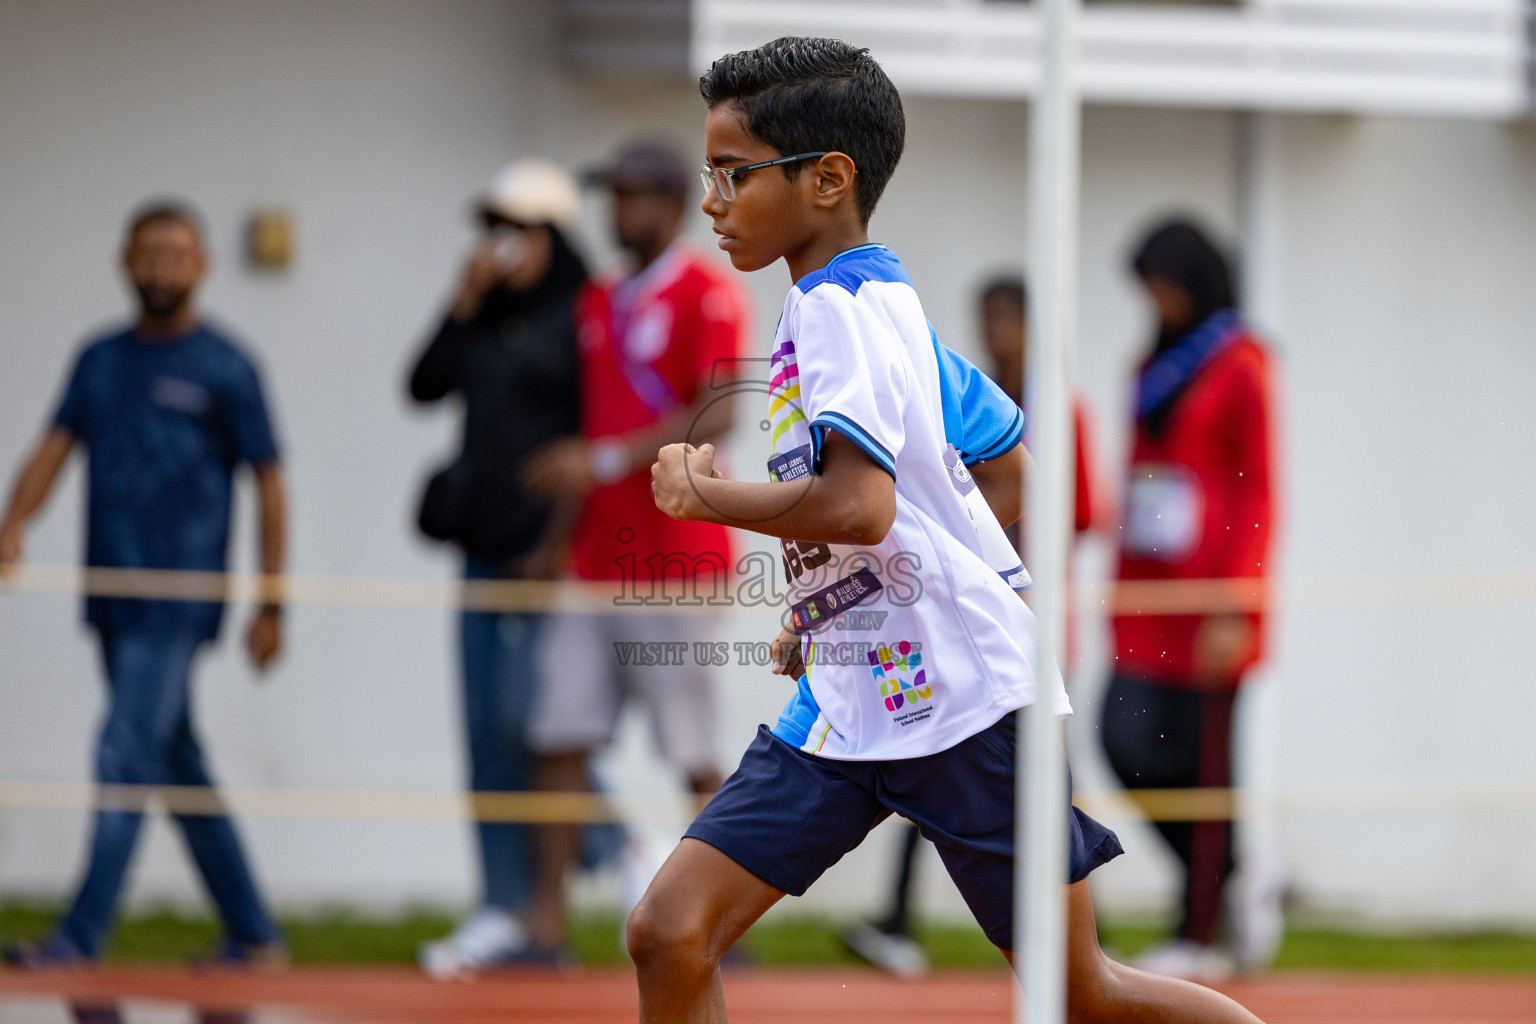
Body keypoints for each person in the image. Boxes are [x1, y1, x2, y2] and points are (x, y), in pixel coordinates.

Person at [633, 36, 1265, 1024]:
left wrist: (705, 497)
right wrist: (842, 601)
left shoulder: (845, 309)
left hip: (967, 703)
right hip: (853, 697)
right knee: (669, 929)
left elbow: (860, 503)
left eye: (733, 174)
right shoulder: (888, 310)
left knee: (1084, 994)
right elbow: (1004, 468)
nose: (711, 200)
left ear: (829, 178)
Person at [0, 202, 285, 967]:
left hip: (183, 596)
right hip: (110, 593)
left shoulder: (228, 365)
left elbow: (271, 482)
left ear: (202, 266)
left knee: (126, 751)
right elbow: (54, 446)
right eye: (149, 253)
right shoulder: (100, 360)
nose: (162, 268)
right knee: (175, 759)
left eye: (177, 254)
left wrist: (272, 602)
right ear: (126, 261)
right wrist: (13, 521)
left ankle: (78, 937)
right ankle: (255, 933)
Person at [839, 274, 1104, 977]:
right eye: (986, 319)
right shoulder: (960, 395)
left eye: (1005, 320)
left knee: (1037, 783)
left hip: (1024, 620)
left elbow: (1075, 510)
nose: (994, 333)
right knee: (926, 761)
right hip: (944, 618)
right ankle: (900, 918)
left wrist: (1013, 578)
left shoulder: (1055, 409)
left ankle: (1078, 938)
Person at [519, 139, 747, 956]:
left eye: (633, 195)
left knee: (692, 751)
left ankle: (721, 918)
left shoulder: (706, 293)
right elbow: (590, 428)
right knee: (558, 736)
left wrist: (610, 459)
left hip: (673, 560)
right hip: (593, 561)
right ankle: (545, 923)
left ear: (669, 205)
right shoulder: (600, 299)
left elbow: (720, 412)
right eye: (612, 195)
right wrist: (556, 538)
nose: (619, 211)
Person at [407, 159, 591, 975]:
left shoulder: (583, 318)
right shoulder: (484, 316)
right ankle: (502, 907)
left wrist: (557, 544)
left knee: (534, 725)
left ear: (551, 235)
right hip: (480, 551)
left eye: (517, 230)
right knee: (485, 734)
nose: (502, 246)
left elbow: (591, 443)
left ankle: (613, 852)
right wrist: (463, 301)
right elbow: (421, 385)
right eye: (494, 229)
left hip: (542, 558)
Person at [1100, 219, 1278, 980]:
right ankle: (1240, 875)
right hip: (1145, 592)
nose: (1154, 299)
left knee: (1207, 769)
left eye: (1161, 282)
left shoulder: (1243, 364)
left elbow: (1261, 489)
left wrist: (1236, 602)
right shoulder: (1154, 362)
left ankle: (1198, 928)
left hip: (1211, 604)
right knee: (1125, 743)